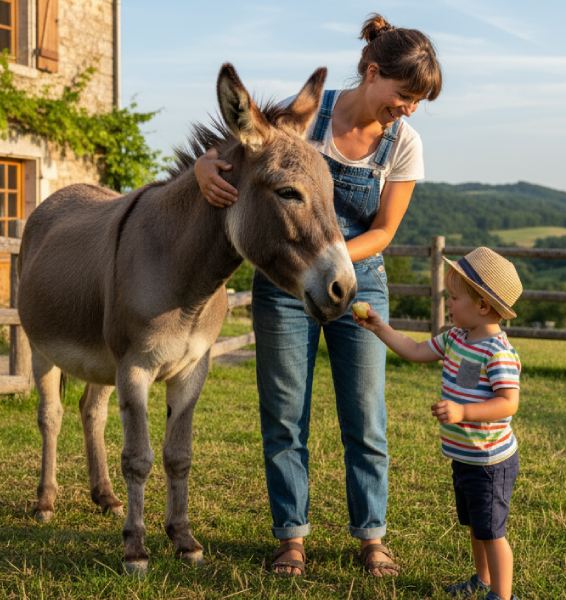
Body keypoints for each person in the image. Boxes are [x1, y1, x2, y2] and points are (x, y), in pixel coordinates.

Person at [195, 14, 442, 577]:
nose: (408, 109)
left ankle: (372, 535)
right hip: (287, 284)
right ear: (373, 73)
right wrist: (201, 168)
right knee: (284, 414)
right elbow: (239, 150)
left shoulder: (404, 144)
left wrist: (327, 262)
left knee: (366, 416)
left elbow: (382, 233)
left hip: (357, 282)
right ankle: (291, 536)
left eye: (419, 101)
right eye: (405, 95)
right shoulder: (305, 117)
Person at [354, 247, 523, 600]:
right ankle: (483, 579)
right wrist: (379, 327)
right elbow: (415, 351)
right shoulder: (455, 338)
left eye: (455, 297)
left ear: (483, 306)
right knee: (477, 526)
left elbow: (509, 403)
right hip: (466, 458)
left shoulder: (498, 351)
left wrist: (463, 413)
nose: (449, 304)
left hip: (491, 461)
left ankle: (502, 595)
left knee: (492, 532)